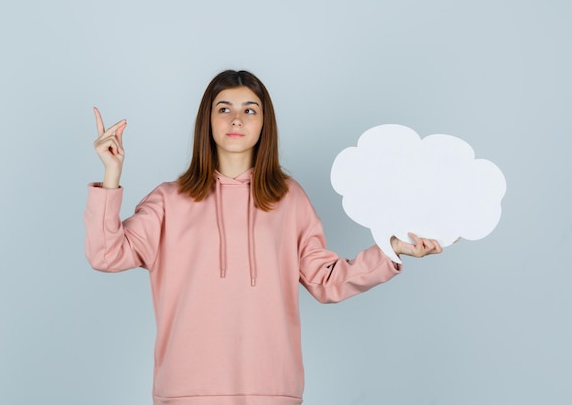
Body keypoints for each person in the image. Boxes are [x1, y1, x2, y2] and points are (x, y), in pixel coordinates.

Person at [84, 70, 442, 405]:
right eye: (224, 108)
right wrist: (111, 174)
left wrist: (390, 250)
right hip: (185, 391)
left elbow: (327, 280)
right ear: (207, 122)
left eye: (249, 109)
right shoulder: (169, 200)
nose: (236, 119)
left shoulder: (289, 198)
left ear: (263, 123)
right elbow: (106, 254)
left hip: (273, 390)